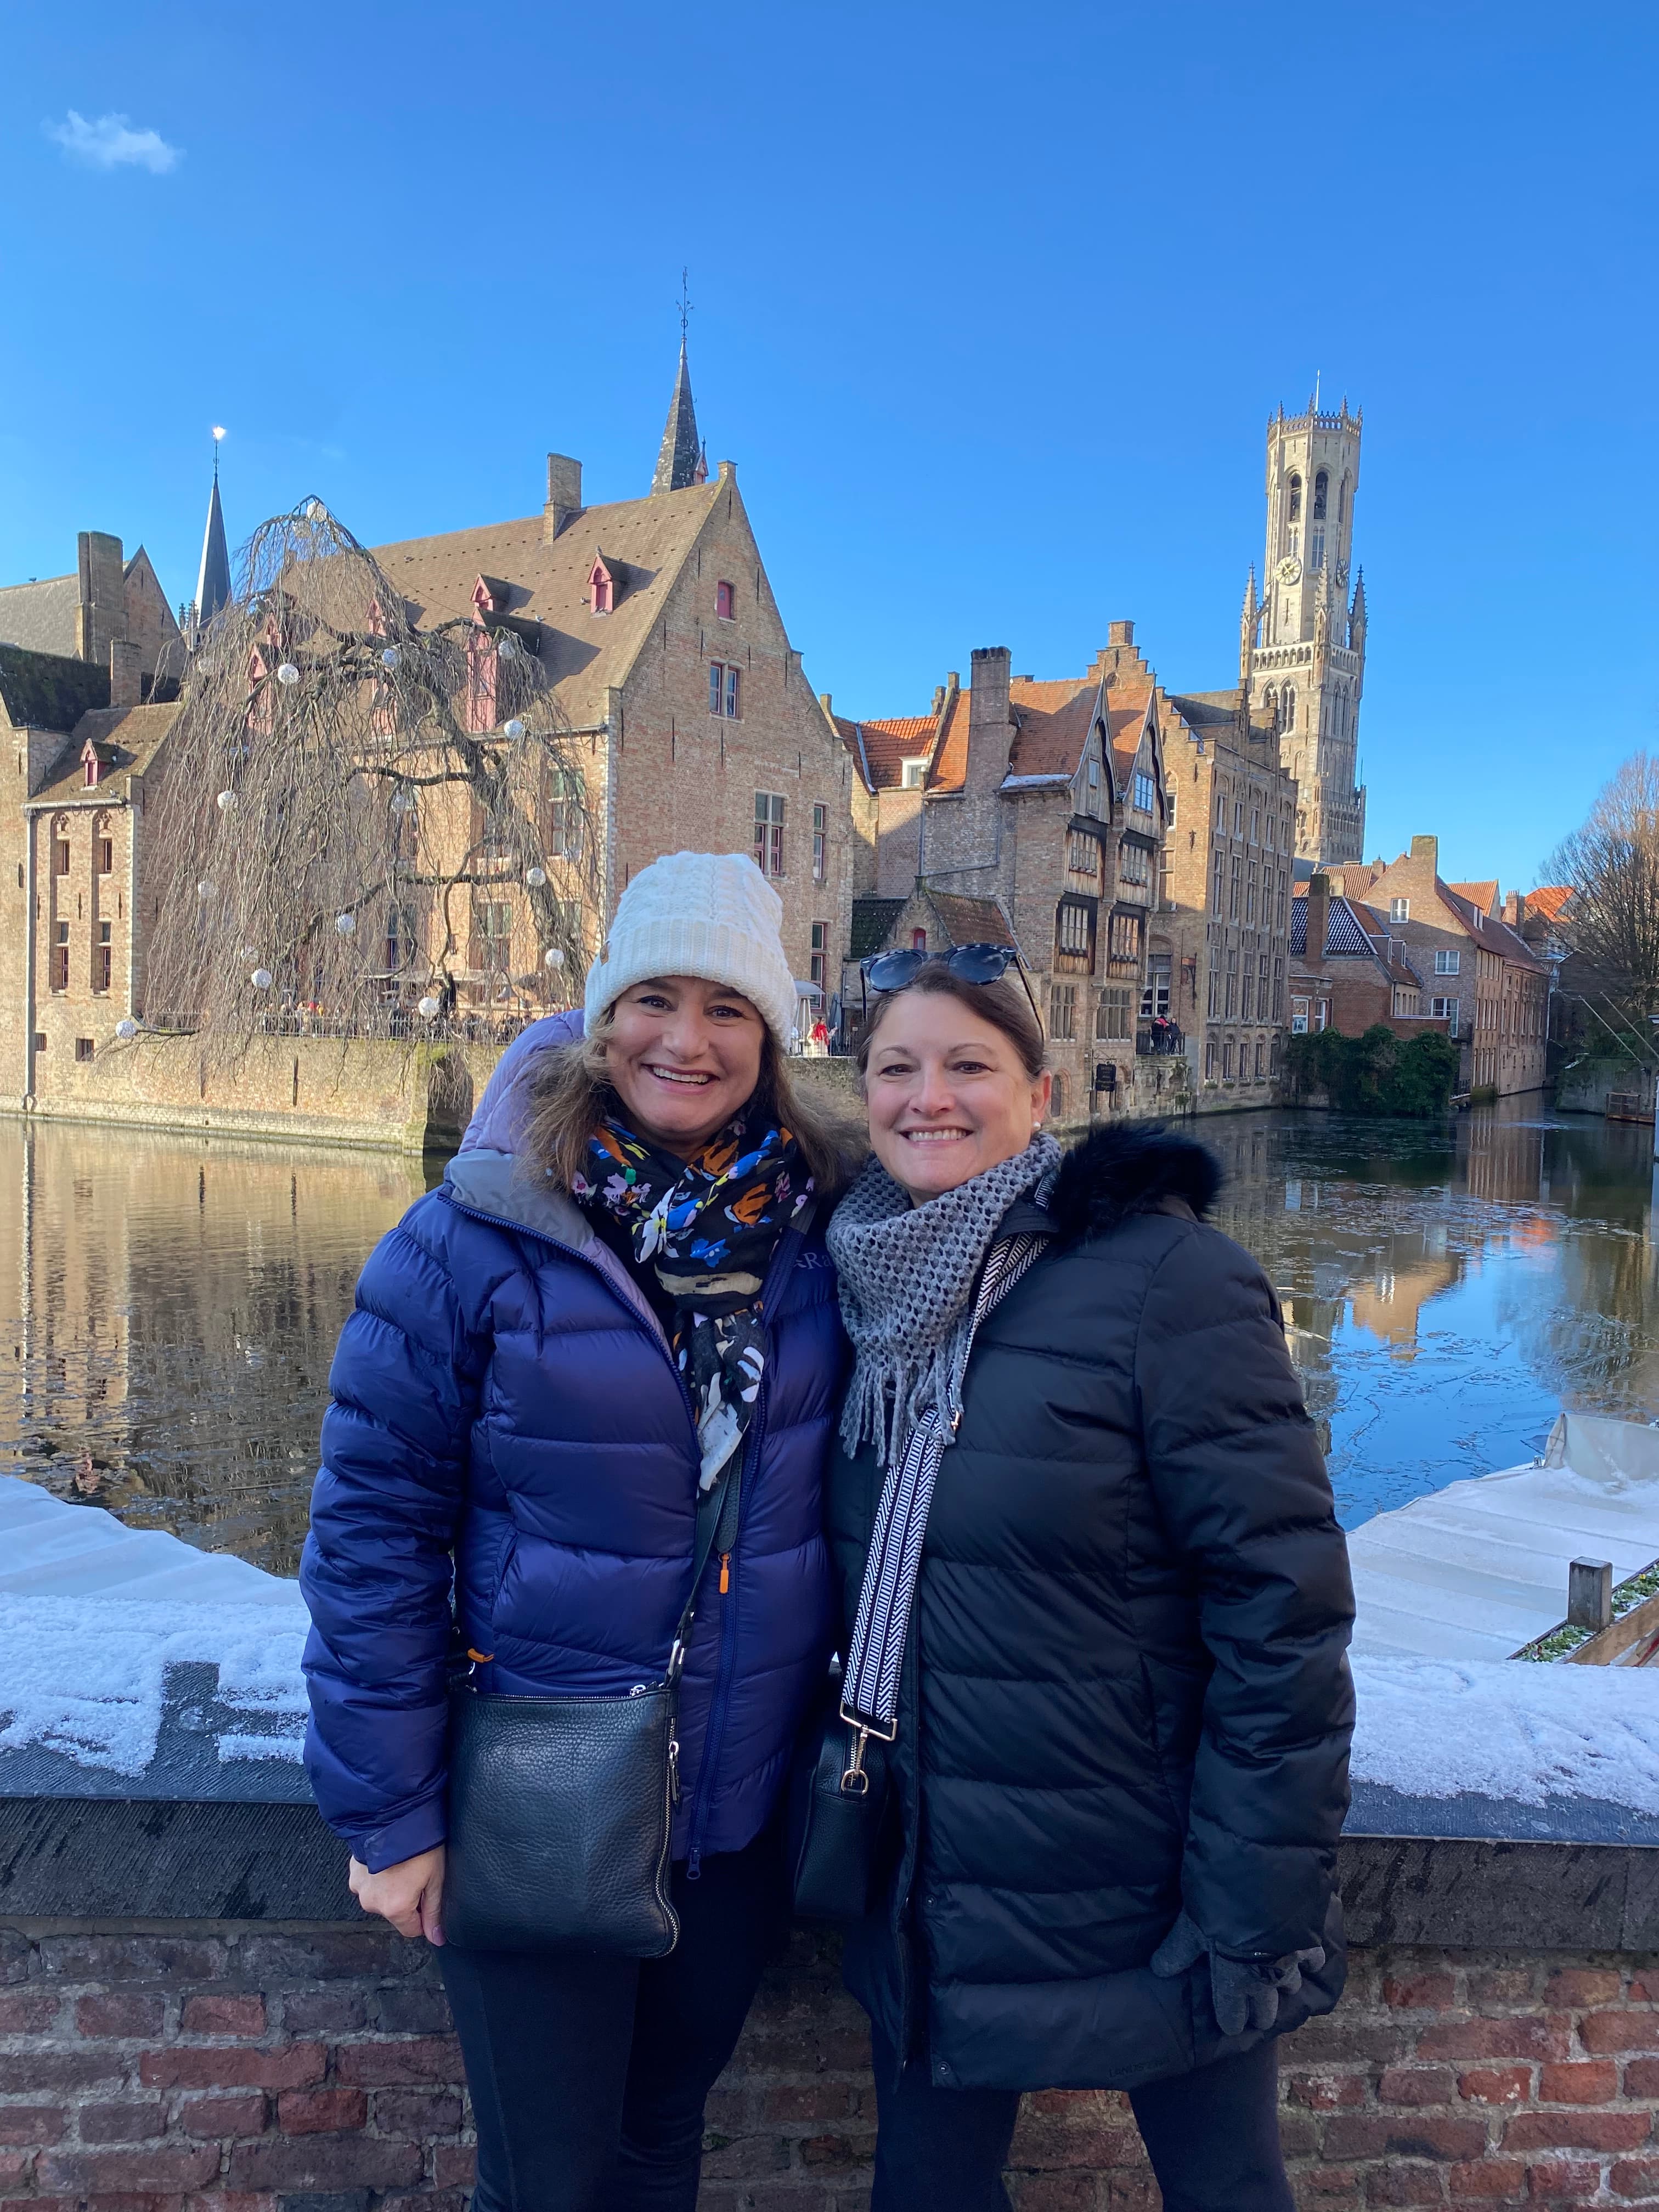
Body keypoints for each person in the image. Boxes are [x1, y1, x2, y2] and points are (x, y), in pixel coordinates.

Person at [301, 851, 855, 2212]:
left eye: (728, 1008)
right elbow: (372, 1535)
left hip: (733, 1812)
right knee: (546, 2181)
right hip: (531, 1798)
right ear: (602, 1019)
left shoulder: (830, 1231)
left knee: (662, 2147)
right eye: (653, 999)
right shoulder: (473, 1235)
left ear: (773, 1037)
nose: (688, 1039)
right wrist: (393, 1813)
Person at [822, 956, 1354, 2212]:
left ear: (1041, 1095)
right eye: (897, 1068)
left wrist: (1245, 1909)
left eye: (969, 1067)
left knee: (1224, 2187)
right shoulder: (862, 1287)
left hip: (1148, 1874)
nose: (927, 1098)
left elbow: (1284, 1617)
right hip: (936, 1881)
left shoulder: (1171, 1281)